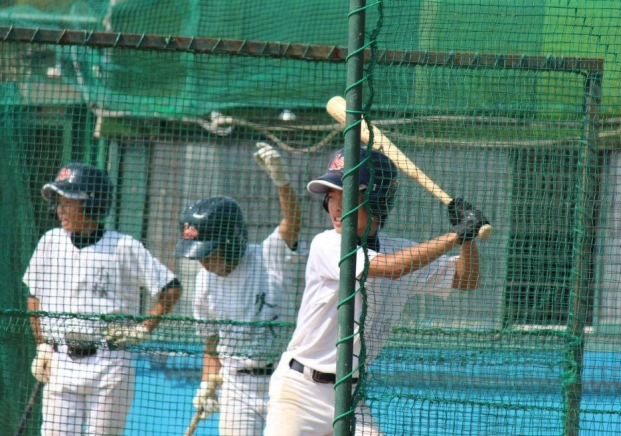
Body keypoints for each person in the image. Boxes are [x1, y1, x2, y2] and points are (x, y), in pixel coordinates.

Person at [264, 147, 489, 436]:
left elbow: (466, 279)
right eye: (331, 195)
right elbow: (390, 267)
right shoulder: (327, 244)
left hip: (350, 396)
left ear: (376, 201)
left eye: (345, 195)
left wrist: (467, 239)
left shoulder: (402, 250)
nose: (335, 206)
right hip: (300, 393)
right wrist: (456, 235)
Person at [24, 162, 182, 435]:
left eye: (68, 202)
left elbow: (171, 288)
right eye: (59, 202)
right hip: (61, 360)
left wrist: (143, 329)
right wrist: (43, 346)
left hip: (109, 361)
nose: (60, 210)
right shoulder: (50, 242)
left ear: (92, 203)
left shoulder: (123, 246)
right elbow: (34, 297)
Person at [175, 142, 304, 436]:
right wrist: (207, 382)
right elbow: (211, 342)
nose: (202, 261)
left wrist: (282, 181)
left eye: (208, 253)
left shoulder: (269, 257)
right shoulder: (203, 281)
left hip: (285, 378)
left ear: (231, 242)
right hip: (236, 384)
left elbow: (293, 221)